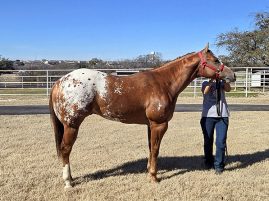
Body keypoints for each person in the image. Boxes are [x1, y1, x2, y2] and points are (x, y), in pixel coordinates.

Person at [200, 78, 231, 174]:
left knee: (221, 141)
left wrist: (223, 80)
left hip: (222, 116)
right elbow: (205, 91)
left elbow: (228, 89)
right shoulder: (205, 82)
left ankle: (219, 166)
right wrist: (212, 81)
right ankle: (208, 162)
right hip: (208, 116)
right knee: (208, 140)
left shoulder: (222, 82)